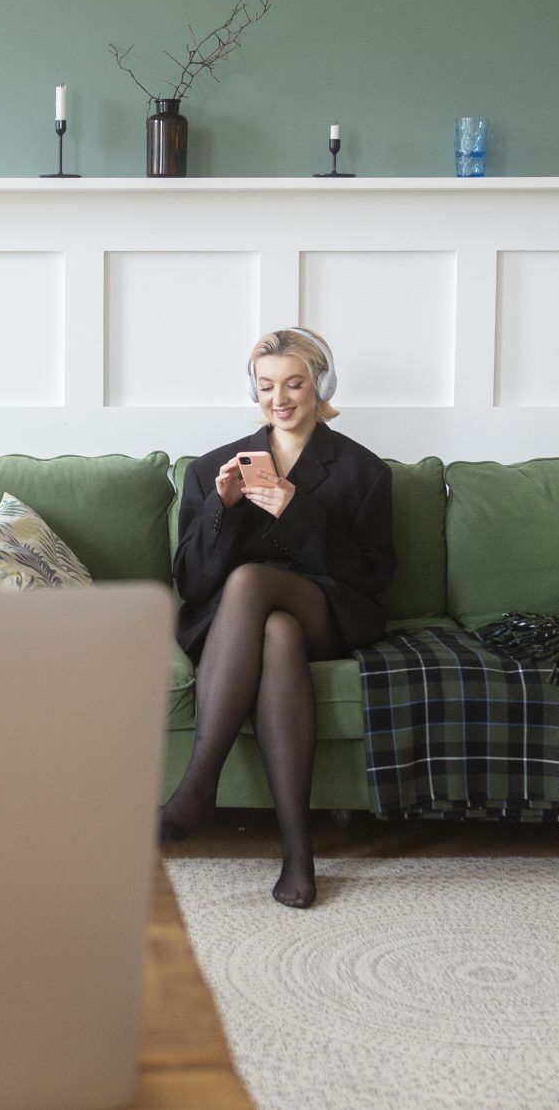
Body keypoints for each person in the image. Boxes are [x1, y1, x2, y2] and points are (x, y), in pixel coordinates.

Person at [163, 327, 397, 908]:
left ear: (321, 386)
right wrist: (220, 509)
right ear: (254, 390)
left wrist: (299, 512)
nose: (280, 399)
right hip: (236, 626)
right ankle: (298, 852)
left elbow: (373, 576)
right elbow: (191, 582)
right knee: (276, 630)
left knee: (255, 583)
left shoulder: (364, 471)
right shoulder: (211, 469)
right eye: (267, 386)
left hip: (329, 608)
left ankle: (199, 784)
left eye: (294, 384)